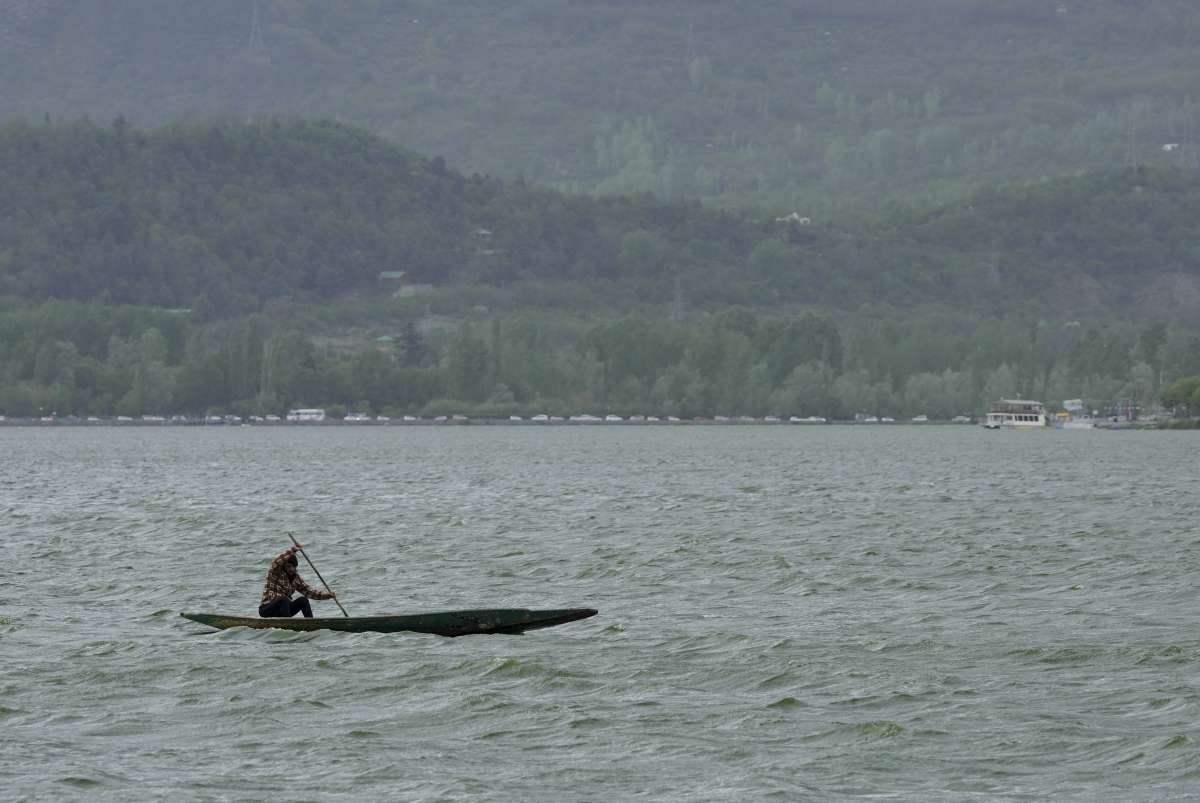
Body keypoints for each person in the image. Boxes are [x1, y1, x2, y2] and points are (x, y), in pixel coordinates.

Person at [259, 543, 335, 618]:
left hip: (283, 611)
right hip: (267, 608)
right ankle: (288, 623)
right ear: (284, 567)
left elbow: (310, 592)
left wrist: (328, 595)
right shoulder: (276, 572)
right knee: (284, 599)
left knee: (303, 600)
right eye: (288, 567)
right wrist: (293, 550)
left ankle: (310, 623)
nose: (291, 569)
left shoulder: (296, 579)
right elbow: (276, 562)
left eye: (293, 567)